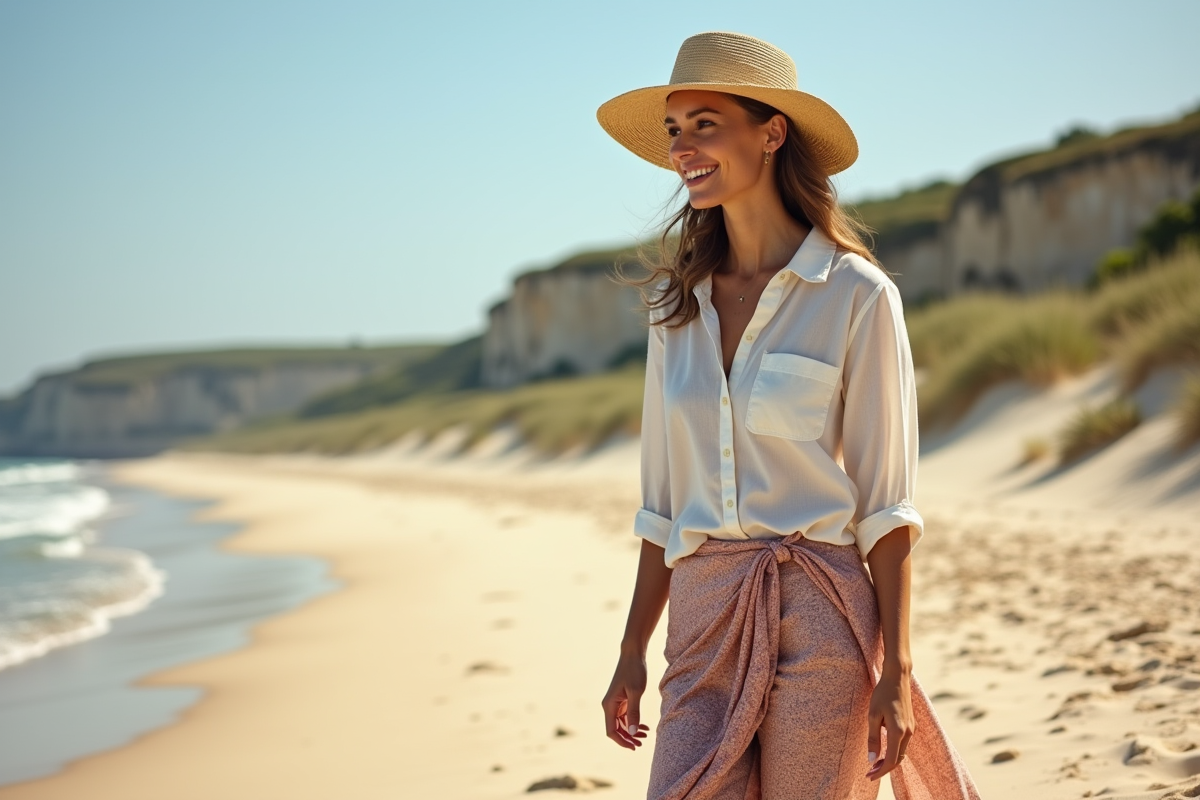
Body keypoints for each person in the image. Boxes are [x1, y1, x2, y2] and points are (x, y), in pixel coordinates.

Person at [596, 32, 981, 799]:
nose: (684, 147)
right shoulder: (676, 311)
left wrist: (896, 670)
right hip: (704, 613)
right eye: (675, 129)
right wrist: (632, 649)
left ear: (771, 131)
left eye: (705, 122)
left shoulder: (858, 296)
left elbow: (887, 506)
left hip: (823, 607)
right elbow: (661, 505)